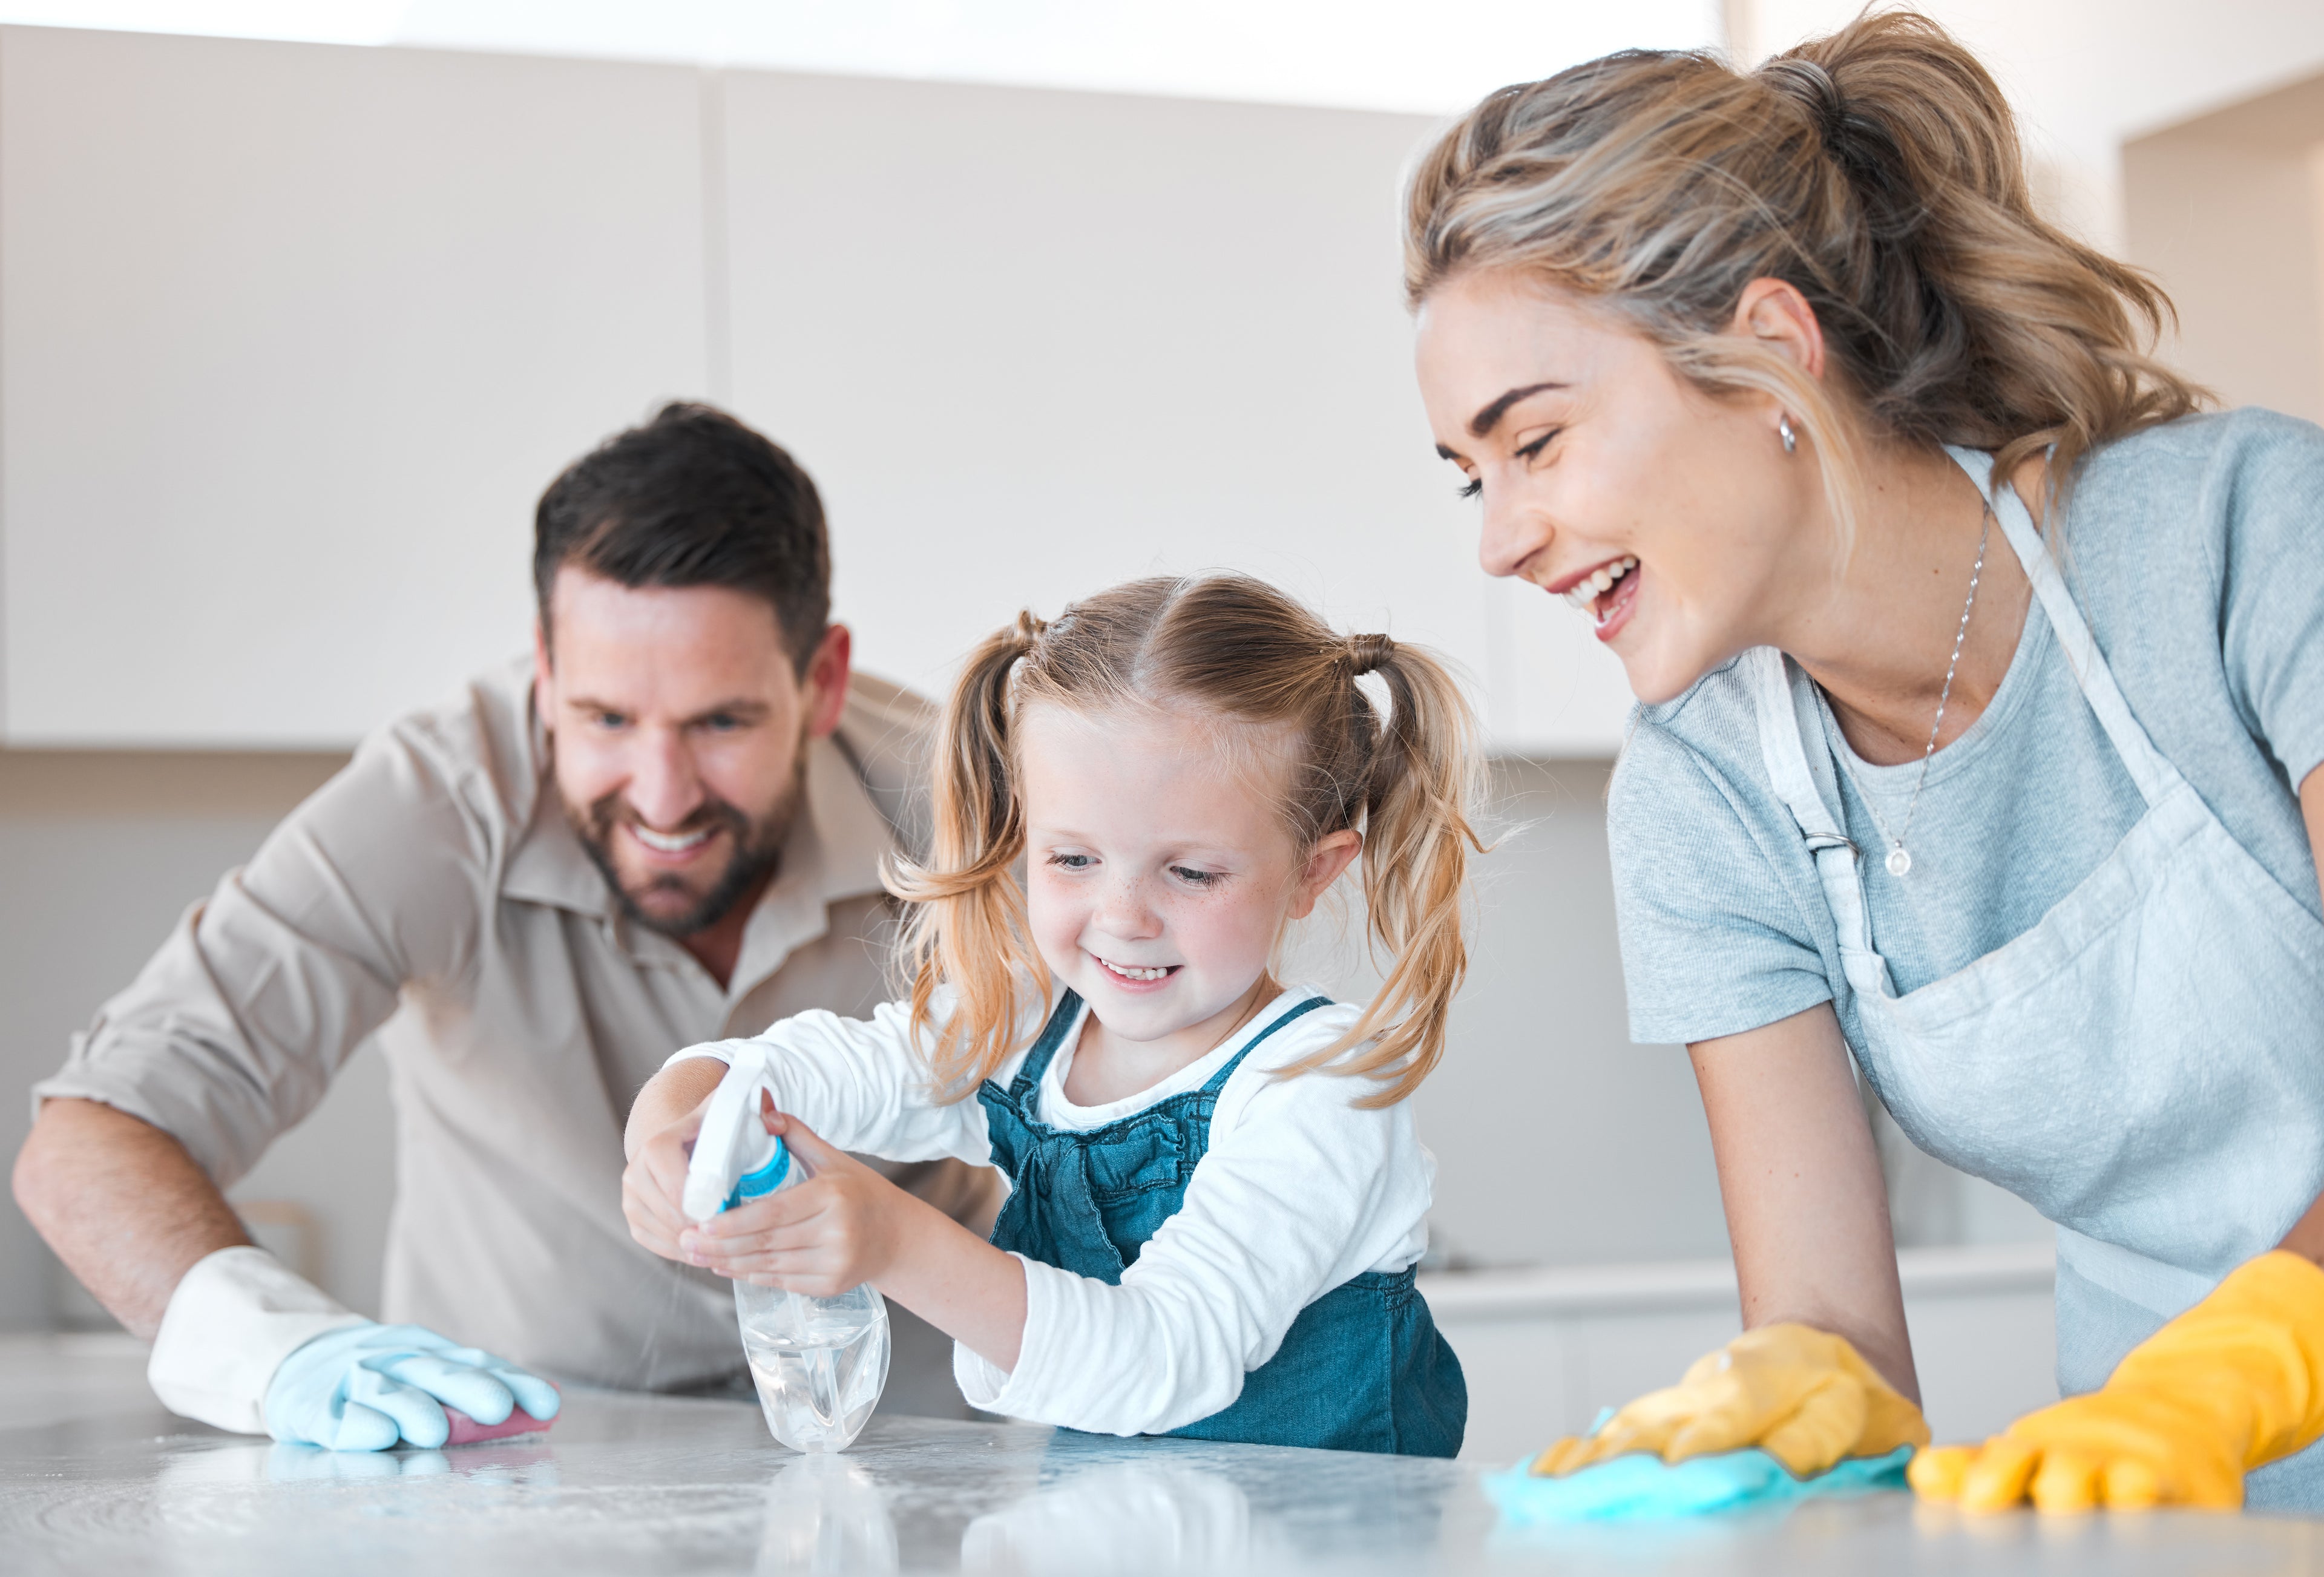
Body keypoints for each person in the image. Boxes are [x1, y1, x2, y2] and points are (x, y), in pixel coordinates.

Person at [1405, 11, 2324, 1513]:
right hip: (2156, 1499)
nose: (1502, 541)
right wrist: (1798, 1384)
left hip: (2214, 1421)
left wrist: (2267, 1352)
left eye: (1539, 443)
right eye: (1472, 478)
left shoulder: (2237, 537)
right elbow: (1839, 1338)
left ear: (1769, 349)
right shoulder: (1706, 791)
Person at [11, 402, 996, 1451]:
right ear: (544, 667)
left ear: (823, 681)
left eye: (721, 722)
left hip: (932, 1451)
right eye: (606, 718)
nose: (662, 797)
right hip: (511, 1452)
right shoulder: (433, 806)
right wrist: (276, 1347)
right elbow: (91, 1134)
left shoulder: (971, 812)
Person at [623, 574, 1480, 1454]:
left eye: (1190, 873)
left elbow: (1166, 1357)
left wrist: (894, 1242)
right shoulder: (1023, 1024)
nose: (1123, 916)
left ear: (1314, 869)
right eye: (1072, 858)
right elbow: (807, 1065)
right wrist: (675, 1122)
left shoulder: (1322, 1086)